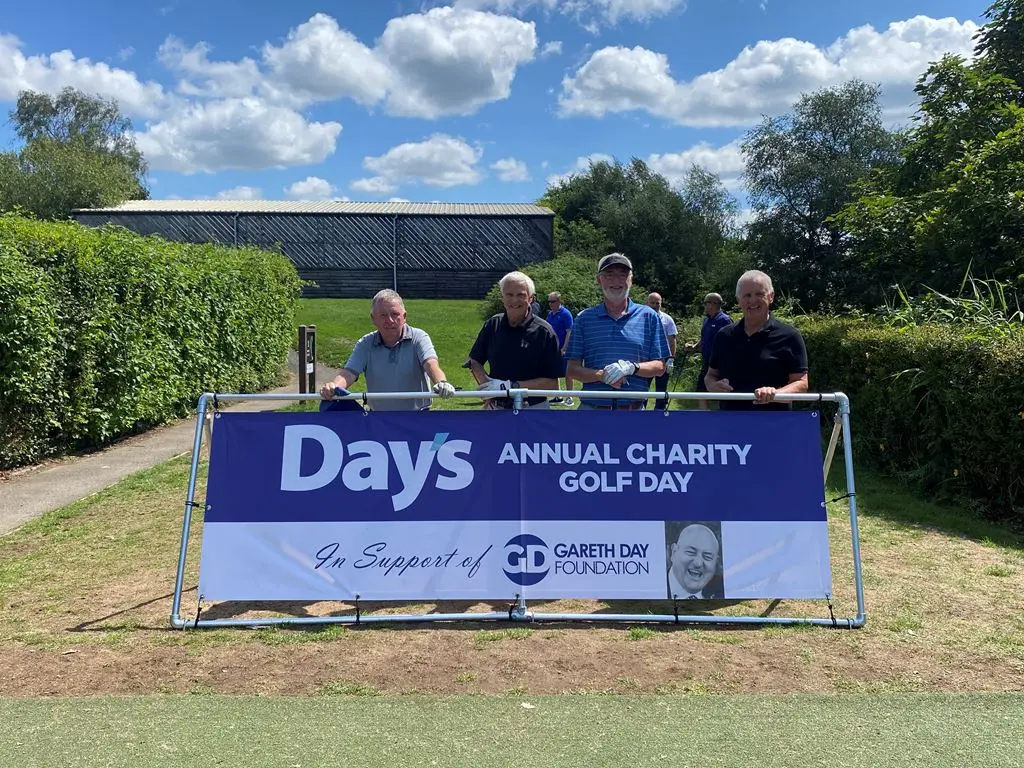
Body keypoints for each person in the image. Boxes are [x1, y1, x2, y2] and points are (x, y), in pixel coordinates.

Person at [565, 253, 670, 410]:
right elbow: (572, 370)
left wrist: (632, 368)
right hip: (592, 411)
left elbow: (660, 367)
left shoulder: (649, 317)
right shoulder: (584, 319)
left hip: (634, 413)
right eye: (609, 275)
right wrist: (601, 376)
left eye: (622, 275)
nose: (616, 281)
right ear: (599, 280)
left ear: (631, 280)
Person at [319, 289, 455, 410]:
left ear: (404, 317)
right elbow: (349, 373)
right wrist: (334, 386)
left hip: (418, 418)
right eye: (383, 315)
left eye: (395, 314)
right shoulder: (366, 343)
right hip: (380, 421)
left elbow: (431, 364)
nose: (390, 320)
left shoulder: (419, 337)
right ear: (373, 319)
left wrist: (441, 383)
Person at [705, 270, 809, 410]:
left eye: (759, 294)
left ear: (771, 296)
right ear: (738, 300)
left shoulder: (790, 336)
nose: (753, 300)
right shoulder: (724, 336)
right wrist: (712, 386)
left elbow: (801, 383)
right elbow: (711, 375)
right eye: (747, 295)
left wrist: (775, 394)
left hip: (774, 425)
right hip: (729, 423)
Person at [467, 271, 562, 410]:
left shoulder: (544, 332)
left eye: (521, 295)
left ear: (530, 298)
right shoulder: (492, 324)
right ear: (502, 298)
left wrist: (510, 387)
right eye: (509, 295)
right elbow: (474, 361)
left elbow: (552, 384)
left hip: (532, 410)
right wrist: (488, 387)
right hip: (496, 408)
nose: (514, 300)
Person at [684, 292, 732, 409]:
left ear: (713, 304)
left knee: (723, 389)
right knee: (701, 389)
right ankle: (705, 415)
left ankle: (725, 414)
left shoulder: (724, 320)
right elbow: (704, 338)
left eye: (706, 303)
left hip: (720, 363)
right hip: (707, 361)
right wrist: (695, 346)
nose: (705, 306)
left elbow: (730, 341)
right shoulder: (707, 320)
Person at [666, 521, 724, 600]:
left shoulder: (723, 592)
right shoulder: (650, 588)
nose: (698, 563)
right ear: (674, 552)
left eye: (707, 557)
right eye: (691, 552)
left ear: (716, 562)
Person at [645, 292, 677, 410]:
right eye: (652, 303)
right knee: (643, 387)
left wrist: (671, 359)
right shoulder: (641, 318)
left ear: (661, 303)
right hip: (645, 360)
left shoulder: (667, 319)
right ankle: (640, 412)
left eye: (657, 303)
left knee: (661, 389)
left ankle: (659, 413)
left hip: (663, 360)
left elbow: (672, 340)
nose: (654, 305)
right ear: (647, 303)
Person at [545, 292, 575, 407]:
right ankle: (558, 396)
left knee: (568, 373)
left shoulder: (566, 314)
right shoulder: (550, 315)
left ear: (558, 301)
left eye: (552, 301)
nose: (550, 304)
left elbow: (569, 332)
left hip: (564, 348)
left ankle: (570, 397)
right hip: (553, 348)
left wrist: (564, 347)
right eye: (549, 302)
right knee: (555, 372)